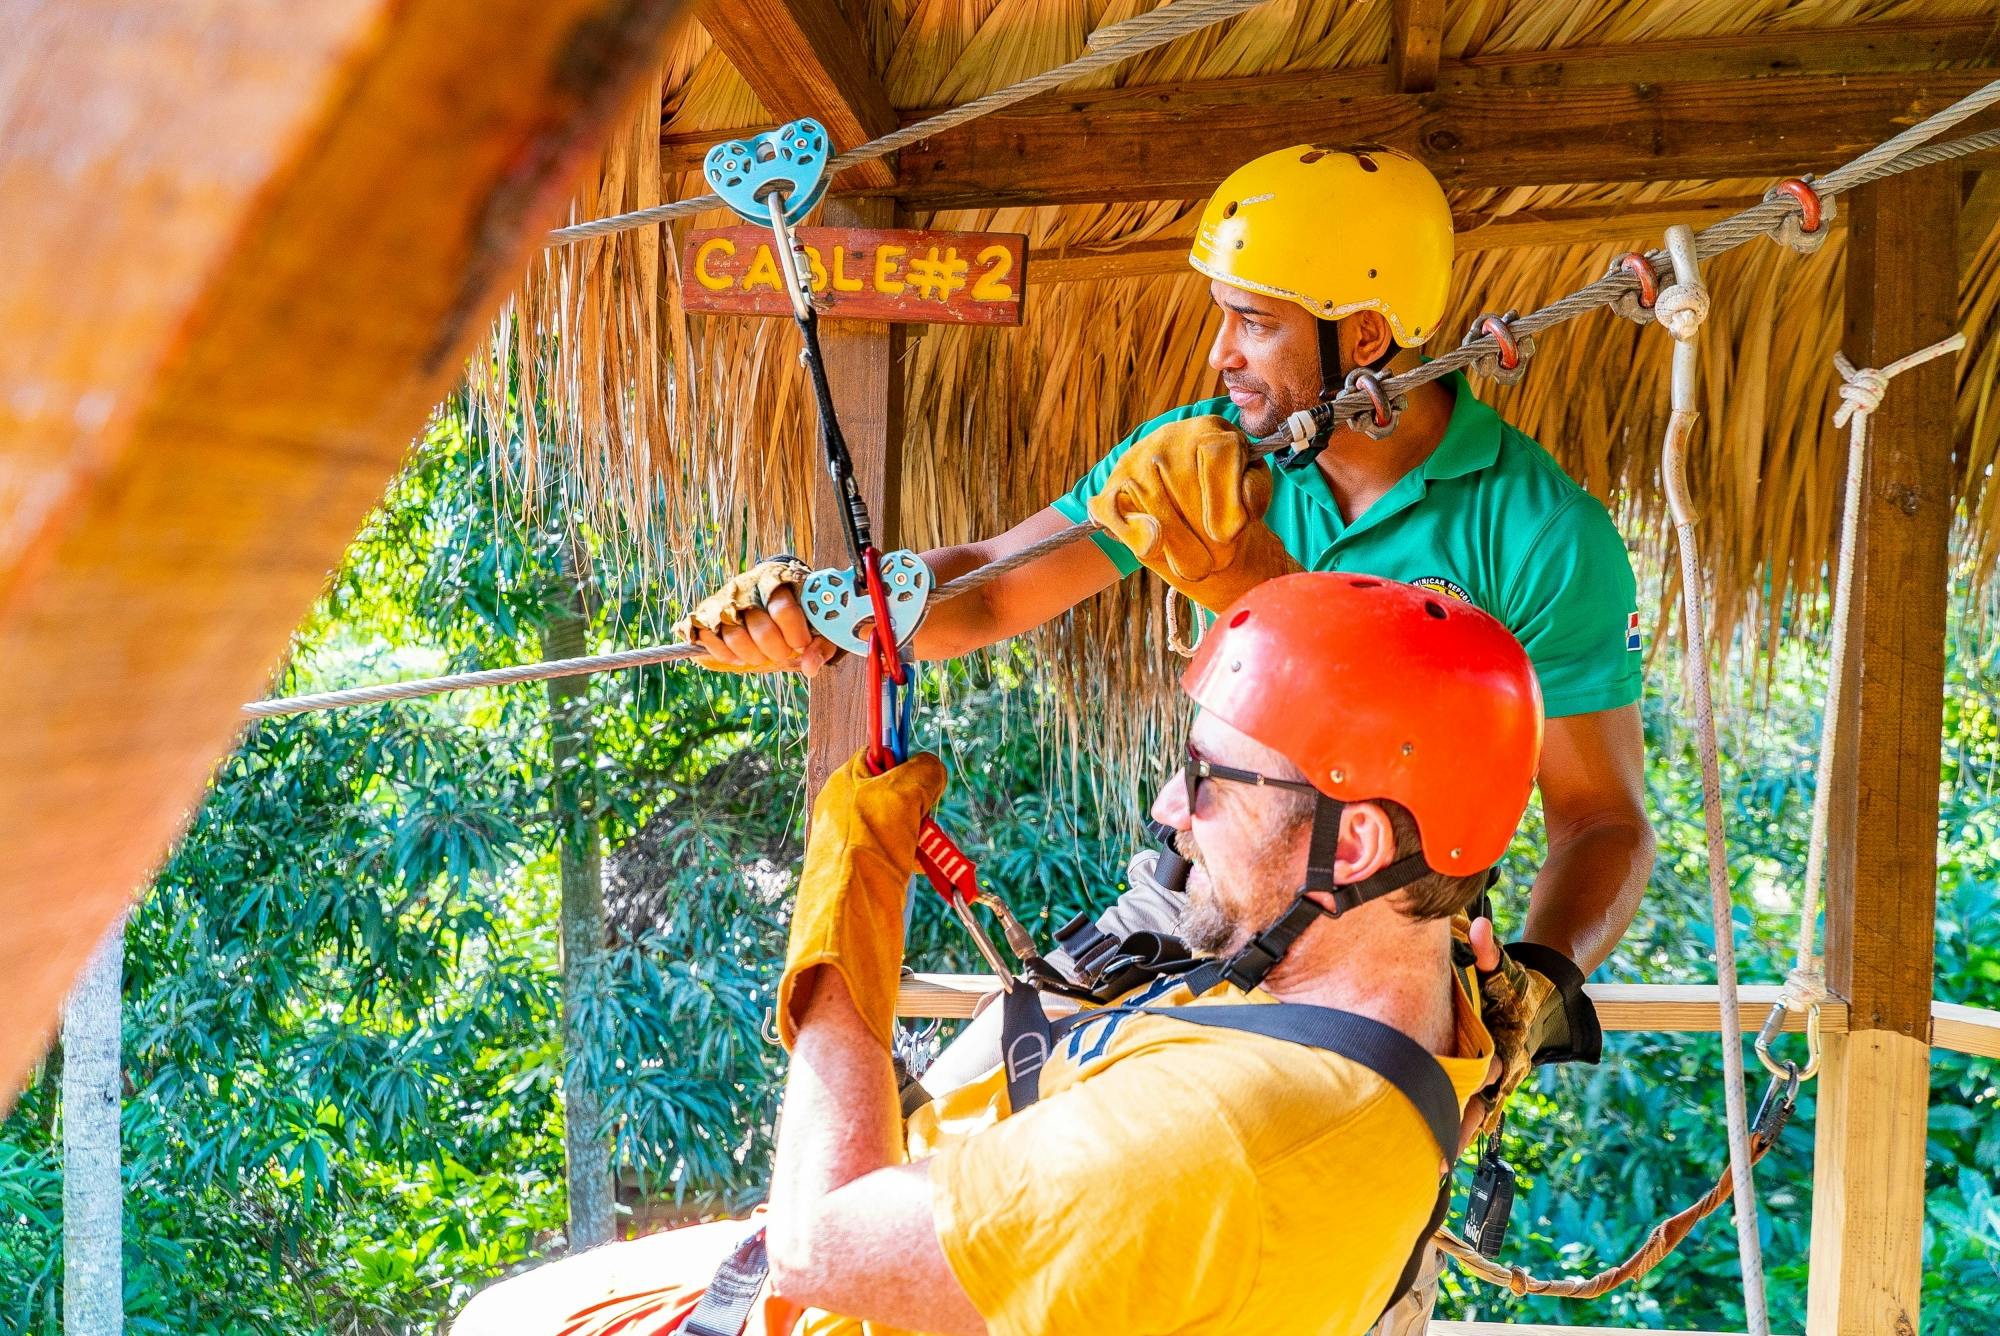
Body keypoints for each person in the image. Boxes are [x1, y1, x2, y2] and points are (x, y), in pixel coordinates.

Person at [677, 146, 1653, 1133]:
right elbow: (985, 589)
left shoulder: (1542, 535)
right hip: (1191, 901)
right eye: (1223, 313)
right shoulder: (1199, 458)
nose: (1219, 354)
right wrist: (837, 608)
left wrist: (1538, 977)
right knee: (926, 1137)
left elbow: (1599, 818)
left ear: (1360, 335)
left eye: (1255, 322)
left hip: (1386, 963)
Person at [455, 574, 1543, 1336]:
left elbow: (818, 1242)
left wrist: (848, 910)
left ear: (1351, 844)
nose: (1171, 806)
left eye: (1211, 778)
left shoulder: (1223, 1132)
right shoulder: (1423, 995)